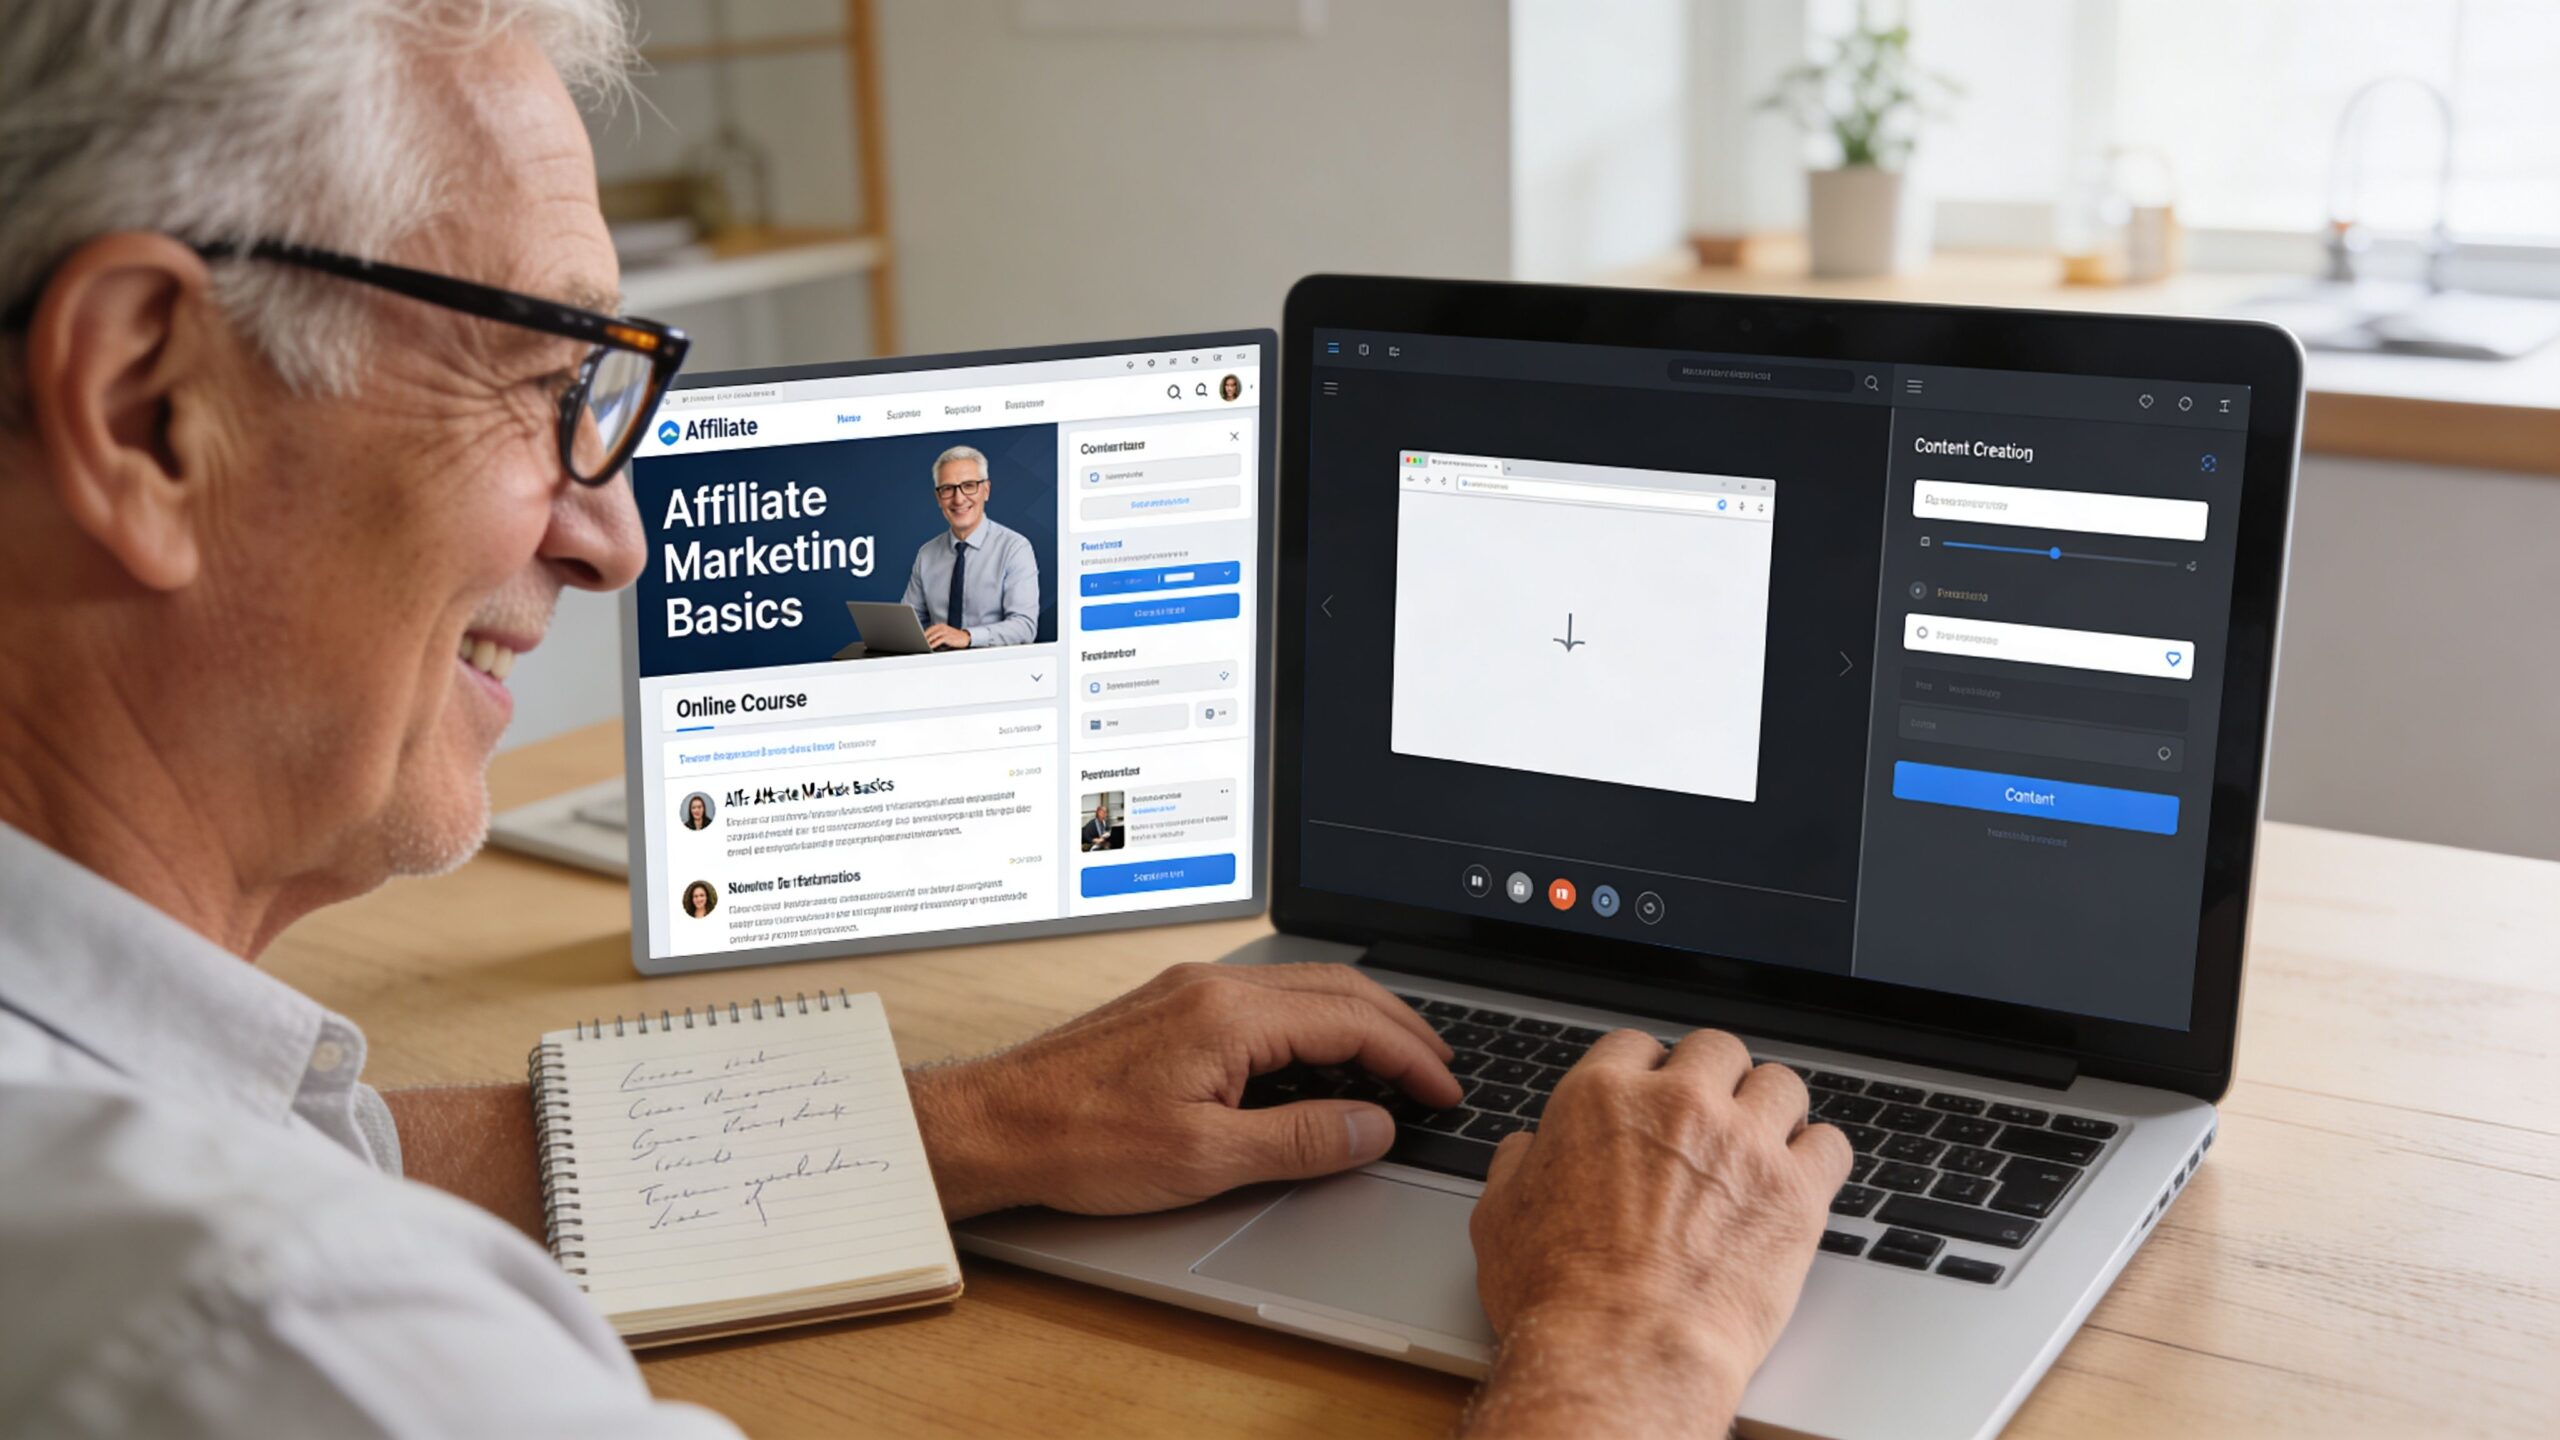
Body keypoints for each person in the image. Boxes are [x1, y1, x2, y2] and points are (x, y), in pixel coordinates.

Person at [0, 4, 1846, 1437]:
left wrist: (978, 1117)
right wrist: (1629, 1349)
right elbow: (298, 1241)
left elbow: (339, 1149)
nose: (612, 530)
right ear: (146, 400)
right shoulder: (281, 1332)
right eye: (546, 380)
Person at [898, 443, 1039, 650]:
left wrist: (968, 637)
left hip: (993, 670)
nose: (958, 498)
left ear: (986, 490)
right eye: (948, 489)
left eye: (969, 485)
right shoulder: (926, 554)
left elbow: (1024, 627)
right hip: (936, 671)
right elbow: (908, 624)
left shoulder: (1015, 548)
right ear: (938, 498)